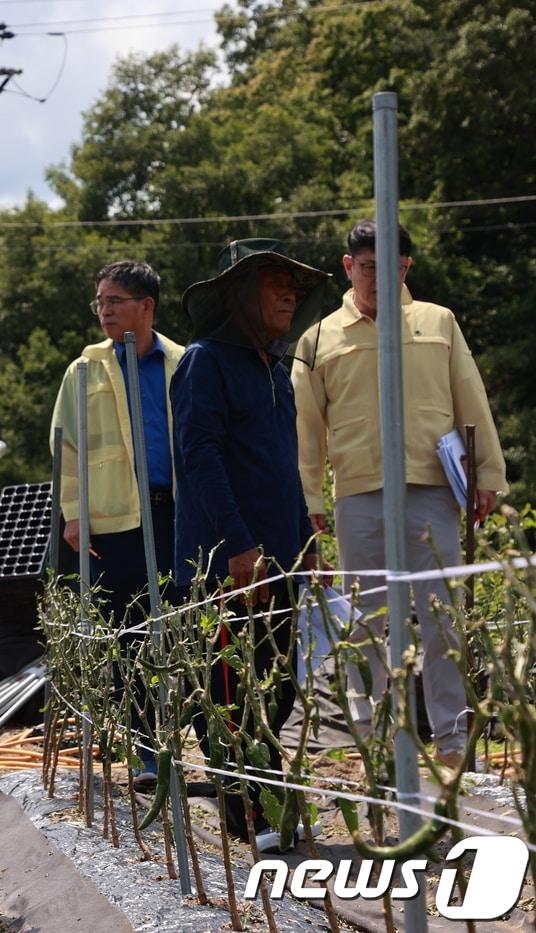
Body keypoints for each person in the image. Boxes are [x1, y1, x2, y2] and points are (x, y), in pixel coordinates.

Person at [293, 220, 507, 770]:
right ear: (348, 267)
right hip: (359, 494)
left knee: (442, 615)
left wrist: (487, 476)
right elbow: (305, 428)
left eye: (391, 267)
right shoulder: (317, 340)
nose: (378, 279)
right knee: (365, 619)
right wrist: (309, 497)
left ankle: (454, 740)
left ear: (407, 267)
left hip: (433, 488)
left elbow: (470, 398)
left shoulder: (438, 322)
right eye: (368, 268)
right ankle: (376, 737)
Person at [172, 238, 328, 843]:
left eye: (295, 285)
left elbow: (282, 464)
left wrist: (303, 538)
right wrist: (237, 544)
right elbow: (199, 456)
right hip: (227, 562)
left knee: (280, 684)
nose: (290, 294)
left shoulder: (275, 370)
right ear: (240, 293)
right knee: (233, 687)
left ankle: (257, 802)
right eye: (275, 283)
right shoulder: (204, 362)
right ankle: (253, 812)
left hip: (278, 557)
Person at [50, 260, 184, 790]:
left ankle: (201, 741)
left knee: (181, 629)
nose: (104, 311)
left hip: (176, 513)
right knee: (130, 639)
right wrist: (74, 513)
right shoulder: (84, 370)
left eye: (115, 301)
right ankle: (147, 753)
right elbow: (68, 447)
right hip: (116, 521)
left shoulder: (182, 362)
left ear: (146, 307)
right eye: (99, 302)